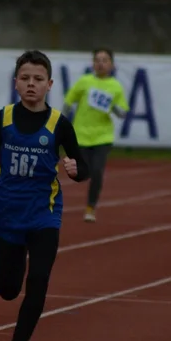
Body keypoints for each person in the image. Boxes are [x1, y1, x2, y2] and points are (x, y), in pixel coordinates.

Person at [0, 50, 90, 341]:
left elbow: (84, 166)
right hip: (8, 215)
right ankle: (16, 257)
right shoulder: (4, 119)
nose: (31, 84)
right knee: (8, 290)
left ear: (49, 84)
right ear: (16, 83)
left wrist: (75, 169)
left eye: (38, 79)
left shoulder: (58, 124)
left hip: (44, 215)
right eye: (25, 78)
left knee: (38, 281)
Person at [62, 46, 130, 222]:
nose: (100, 64)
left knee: (97, 171)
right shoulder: (84, 81)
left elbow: (123, 112)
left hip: (103, 137)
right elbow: (69, 101)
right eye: (97, 60)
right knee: (82, 172)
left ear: (112, 64)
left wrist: (112, 106)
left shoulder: (115, 86)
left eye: (104, 60)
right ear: (92, 63)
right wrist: (61, 123)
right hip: (81, 135)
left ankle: (91, 207)